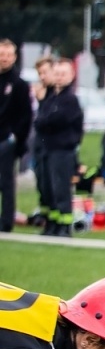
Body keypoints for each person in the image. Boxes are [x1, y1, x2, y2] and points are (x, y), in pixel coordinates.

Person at [32, 57, 83, 237]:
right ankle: (52, 223)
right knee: (48, 189)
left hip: (62, 150)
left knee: (61, 189)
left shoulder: (70, 99)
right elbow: (40, 121)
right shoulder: (51, 97)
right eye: (57, 74)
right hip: (48, 149)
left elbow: (57, 120)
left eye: (64, 74)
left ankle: (65, 226)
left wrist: (46, 121)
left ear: (71, 75)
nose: (60, 77)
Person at [0, 39, 32, 234]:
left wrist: (16, 137)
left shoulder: (19, 84)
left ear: (14, 57)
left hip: (7, 140)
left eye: (7, 55)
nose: (3, 58)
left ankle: (6, 221)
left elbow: (25, 115)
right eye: (1, 54)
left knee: (6, 182)